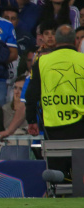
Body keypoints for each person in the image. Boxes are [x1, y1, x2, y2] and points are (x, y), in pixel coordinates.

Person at [25, 25, 84, 178]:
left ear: (56, 41)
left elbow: (31, 94)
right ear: (75, 41)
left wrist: (31, 120)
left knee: (58, 175)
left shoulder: (42, 61)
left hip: (53, 125)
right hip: (81, 125)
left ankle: (59, 195)